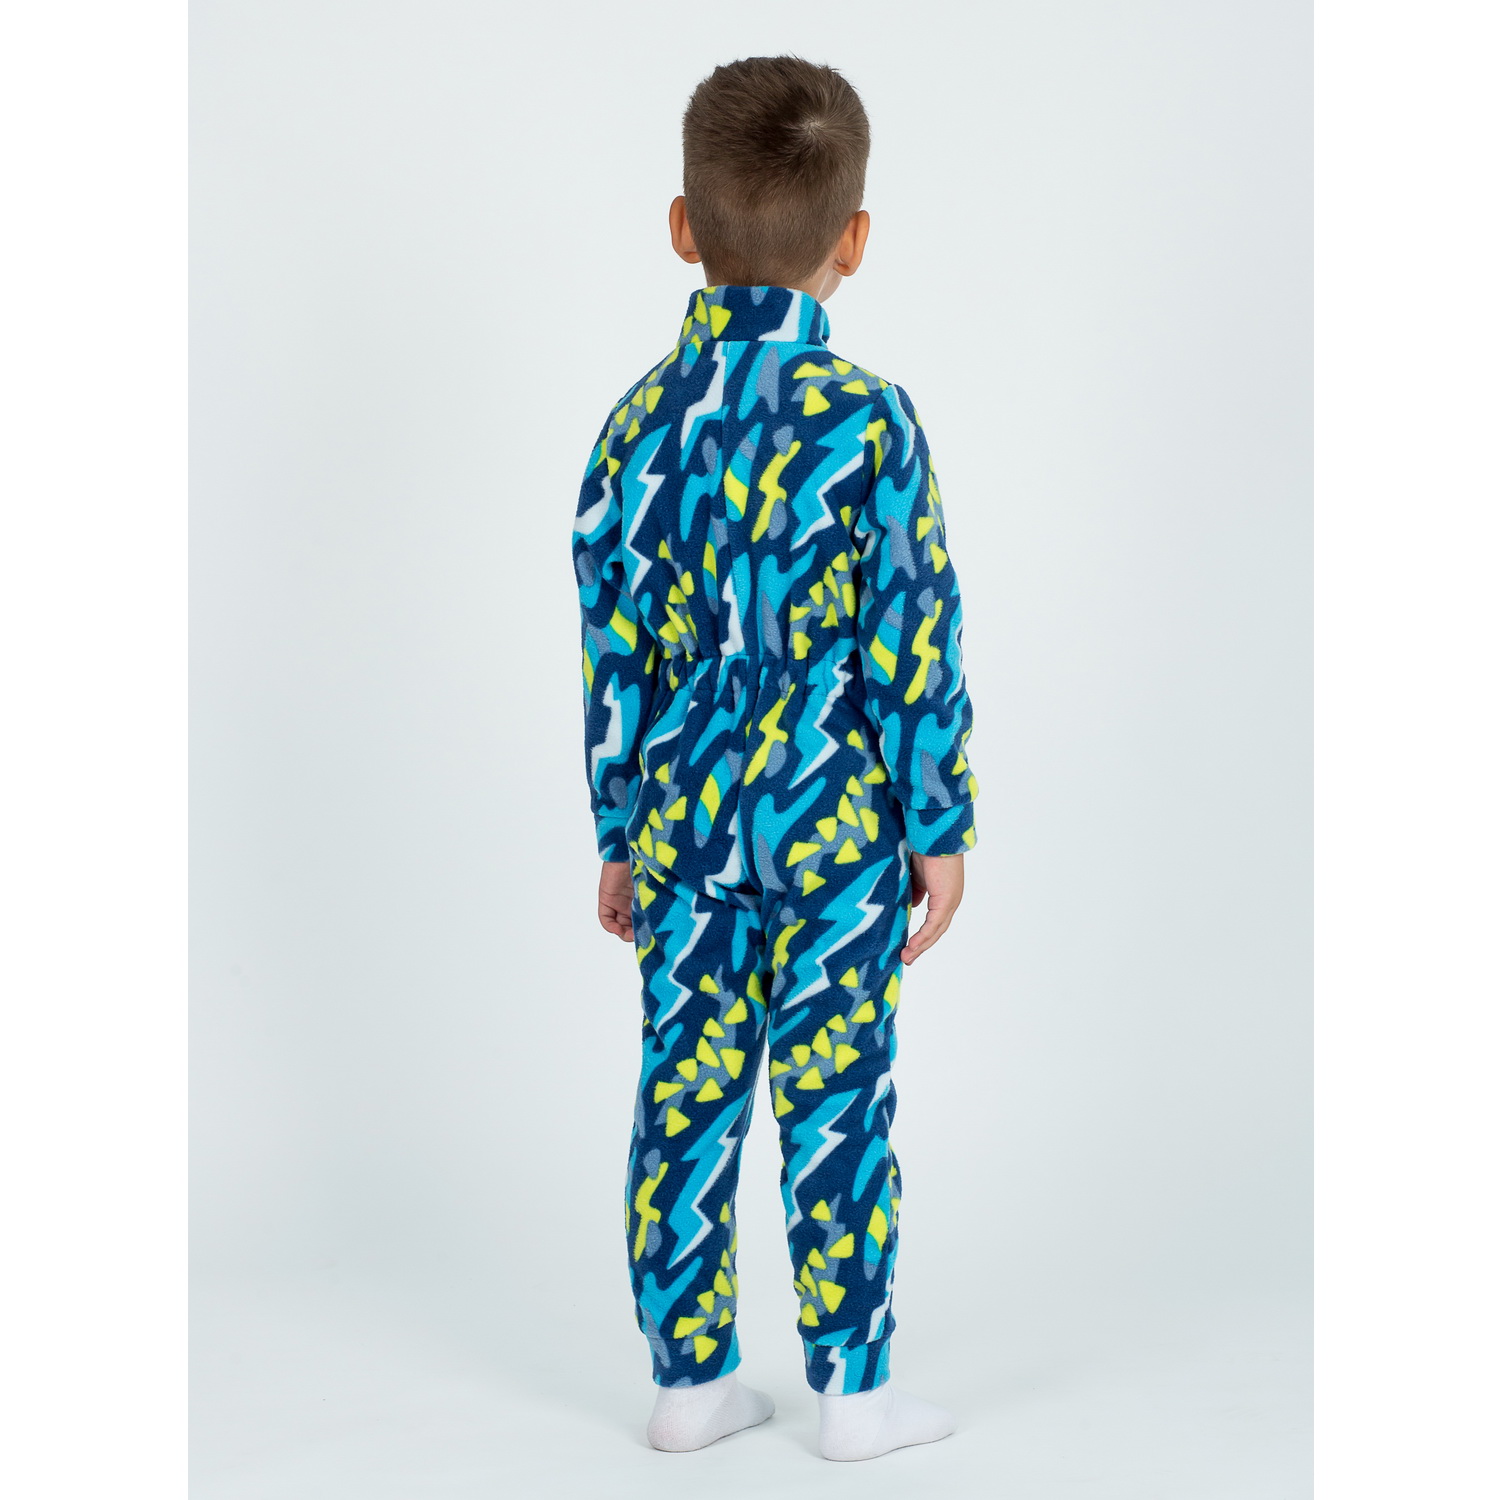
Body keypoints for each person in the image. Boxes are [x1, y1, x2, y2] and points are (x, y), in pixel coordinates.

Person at [571, 55, 977, 1462]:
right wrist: (938, 821)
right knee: (835, 1097)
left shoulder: (636, 428)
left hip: (684, 826)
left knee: (684, 1096)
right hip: (836, 829)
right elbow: (912, 634)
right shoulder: (870, 423)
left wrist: (619, 826)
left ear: (684, 227)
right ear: (853, 240)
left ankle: (689, 1384)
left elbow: (614, 652)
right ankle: (852, 1394)